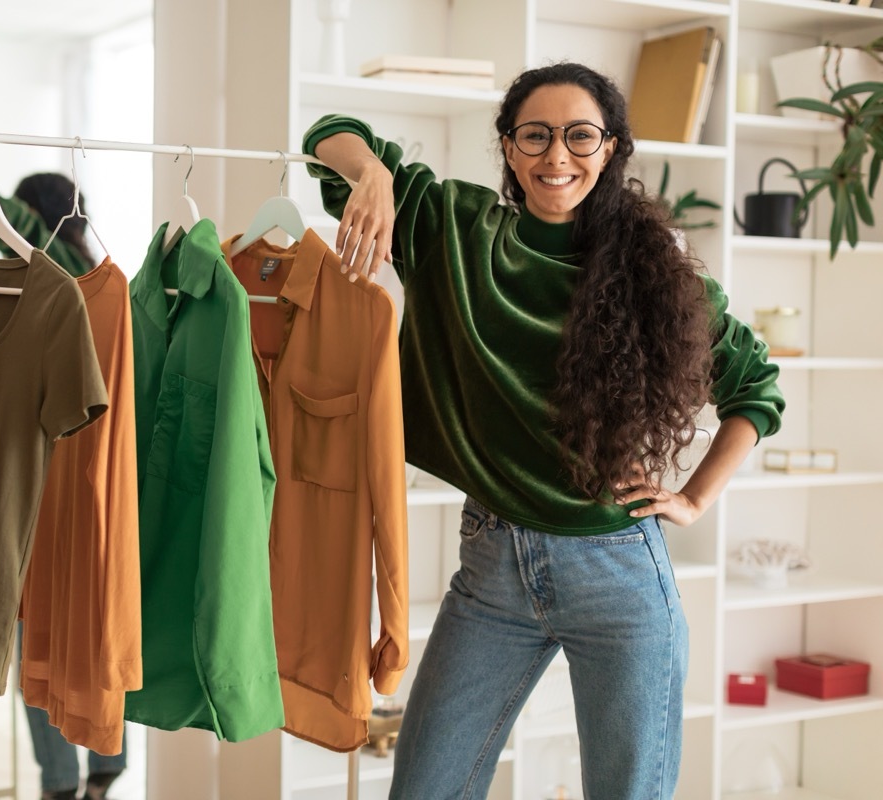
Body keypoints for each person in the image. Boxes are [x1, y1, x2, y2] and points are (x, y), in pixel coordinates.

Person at [302, 62, 784, 800]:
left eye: (580, 136)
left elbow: (756, 387)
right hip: (492, 572)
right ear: (508, 147)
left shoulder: (657, 274)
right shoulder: (453, 228)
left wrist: (692, 500)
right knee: (424, 787)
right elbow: (328, 136)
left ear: (611, 148)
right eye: (536, 136)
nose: (557, 157)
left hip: (619, 575)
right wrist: (373, 174)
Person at [0, 172, 126, 800]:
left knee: (36, 633)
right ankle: (105, 767)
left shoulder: (33, 283)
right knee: (96, 624)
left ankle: (59, 782)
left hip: (41, 485)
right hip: (99, 482)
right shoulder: (108, 285)